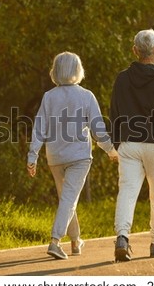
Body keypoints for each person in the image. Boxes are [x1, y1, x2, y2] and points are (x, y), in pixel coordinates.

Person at [27, 51, 118, 260]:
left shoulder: (49, 96)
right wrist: (111, 151)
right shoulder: (86, 96)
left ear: (56, 71)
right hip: (79, 157)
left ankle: (76, 241)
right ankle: (55, 241)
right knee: (68, 199)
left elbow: (39, 128)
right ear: (78, 70)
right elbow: (98, 130)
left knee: (67, 199)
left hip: (55, 157)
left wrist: (33, 157)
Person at [110, 29, 154, 261]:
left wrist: (116, 143)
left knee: (127, 192)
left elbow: (115, 113)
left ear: (135, 51)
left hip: (129, 144)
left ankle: (122, 238)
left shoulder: (122, 78)